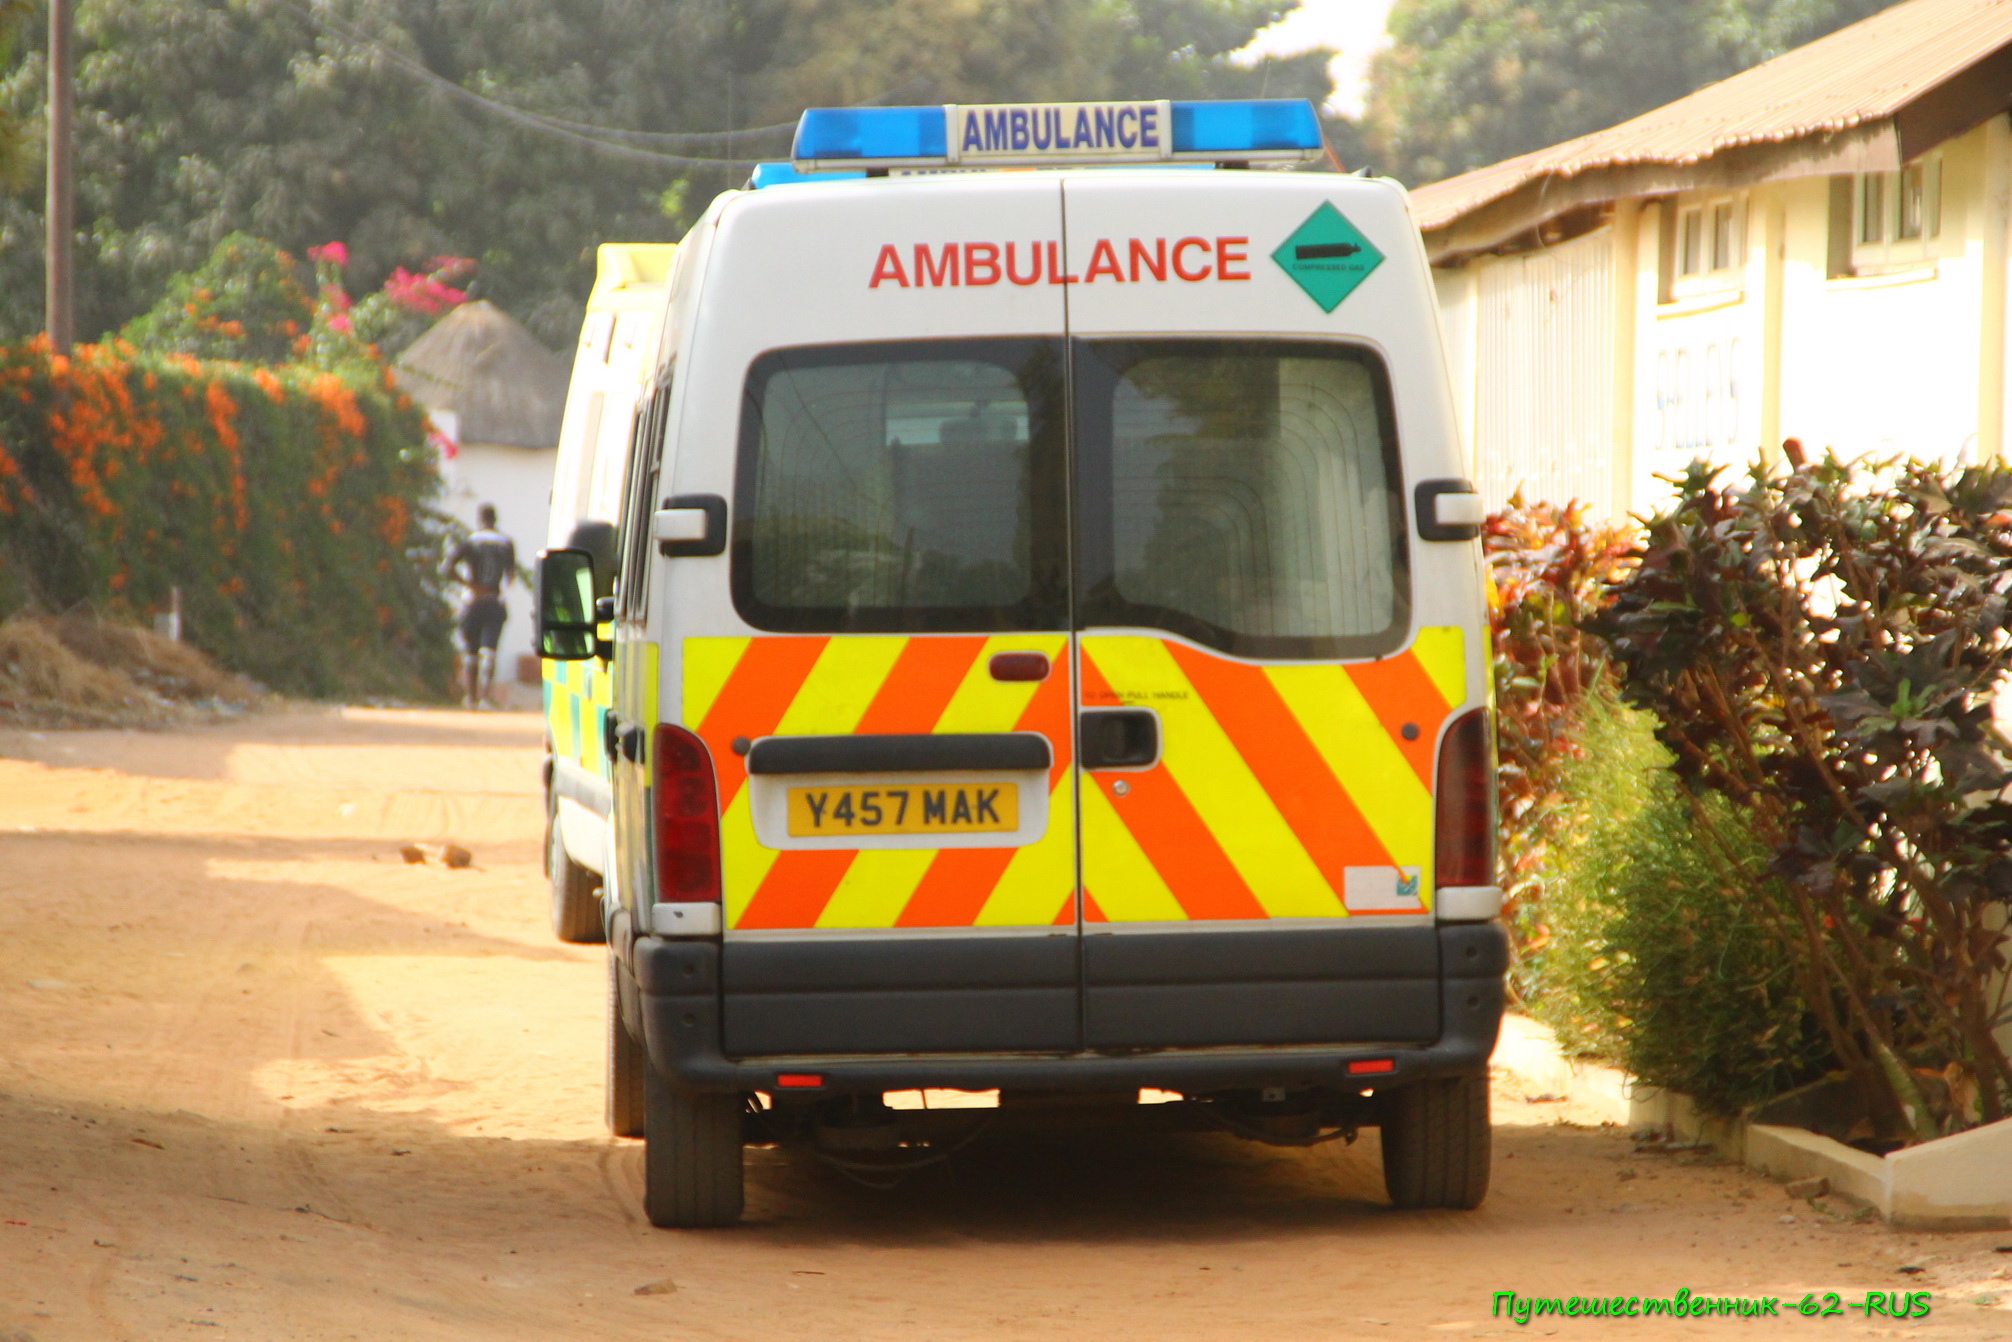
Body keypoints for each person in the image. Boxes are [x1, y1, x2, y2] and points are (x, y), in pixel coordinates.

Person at [444, 504, 517, 708]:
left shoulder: (470, 541)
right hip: (494, 601)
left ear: (480, 520)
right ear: (495, 520)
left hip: (473, 601)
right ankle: (485, 697)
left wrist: (469, 584)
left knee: (471, 651)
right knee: (489, 651)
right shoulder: (506, 543)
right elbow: (510, 577)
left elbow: (446, 568)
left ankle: (471, 698)